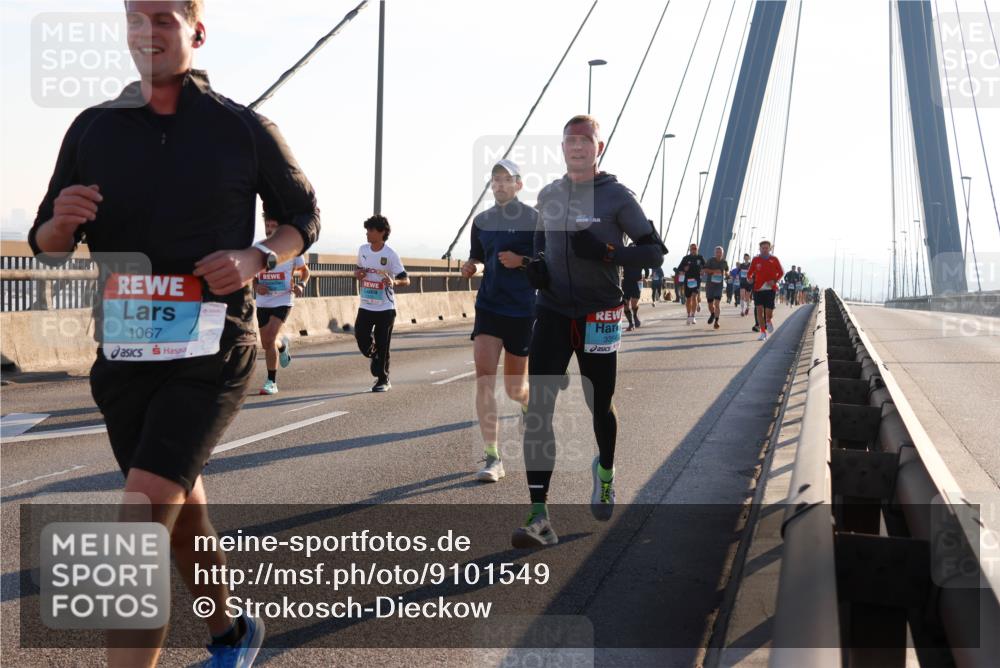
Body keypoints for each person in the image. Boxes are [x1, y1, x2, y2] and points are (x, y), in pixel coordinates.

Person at [28, 2, 321, 666]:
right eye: (136, 17)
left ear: (196, 31)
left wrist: (256, 257)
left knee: (139, 523)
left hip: (213, 348)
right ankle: (230, 631)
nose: (147, 31)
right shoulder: (93, 129)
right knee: (179, 508)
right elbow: (48, 244)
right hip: (125, 353)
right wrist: (60, 223)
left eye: (163, 17)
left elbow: (302, 216)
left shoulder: (243, 129)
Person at [513, 114, 665, 548]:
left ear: (599, 148)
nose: (577, 147)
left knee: (599, 406)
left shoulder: (617, 196)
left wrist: (607, 251)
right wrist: (536, 268)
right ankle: (539, 513)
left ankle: (605, 473)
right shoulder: (549, 194)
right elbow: (539, 244)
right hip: (555, 310)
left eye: (585, 141)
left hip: (599, 314)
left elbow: (654, 253)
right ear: (562, 149)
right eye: (569, 142)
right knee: (538, 408)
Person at [461, 159, 537, 483]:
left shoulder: (534, 220)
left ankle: (526, 405)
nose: (500, 185)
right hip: (489, 306)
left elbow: (548, 264)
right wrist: (471, 266)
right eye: (496, 180)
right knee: (484, 380)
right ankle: (493, 457)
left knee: (515, 387)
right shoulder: (482, 221)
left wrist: (522, 261)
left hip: (521, 309)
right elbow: (478, 256)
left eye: (507, 180)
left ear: (519, 184)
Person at [254, 212, 309, 395]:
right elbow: (251, 276)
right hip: (263, 301)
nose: (269, 229)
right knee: (267, 343)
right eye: (267, 225)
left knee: (269, 338)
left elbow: (305, 272)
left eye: (273, 226)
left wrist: (301, 284)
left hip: (283, 299)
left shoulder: (292, 249)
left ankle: (271, 381)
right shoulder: (258, 248)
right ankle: (283, 345)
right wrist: (257, 285)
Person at [354, 215, 409, 392]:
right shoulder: (363, 249)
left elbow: (405, 279)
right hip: (366, 304)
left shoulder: (390, 255)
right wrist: (358, 274)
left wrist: (394, 283)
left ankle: (383, 379)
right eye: (367, 230)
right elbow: (358, 269)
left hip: (386, 307)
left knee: (383, 343)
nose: (367, 234)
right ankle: (374, 354)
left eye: (371, 230)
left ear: (382, 232)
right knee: (361, 336)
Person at [747, 240, 784, 341]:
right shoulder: (755, 260)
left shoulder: (774, 259)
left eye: (766, 248)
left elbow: (781, 272)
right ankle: (763, 332)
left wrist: (774, 281)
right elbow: (749, 273)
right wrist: (749, 278)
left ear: (770, 248)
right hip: (758, 289)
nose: (764, 250)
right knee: (759, 311)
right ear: (760, 249)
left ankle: (768, 321)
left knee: (769, 313)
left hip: (770, 289)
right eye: (762, 248)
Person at [621, 248, 648, 331]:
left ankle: (635, 316)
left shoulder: (640, 259)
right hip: (626, 283)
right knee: (625, 304)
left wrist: (645, 277)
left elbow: (647, 270)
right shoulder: (624, 259)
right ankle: (630, 324)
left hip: (636, 284)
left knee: (634, 305)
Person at [679, 243, 705, 325]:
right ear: (690, 249)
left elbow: (706, 267)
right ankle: (688, 315)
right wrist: (683, 269)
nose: (694, 250)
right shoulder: (686, 258)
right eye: (692, 248)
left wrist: (703, 271)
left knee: (694, 297)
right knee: (688, 299)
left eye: (695, 248)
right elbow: (679, 269)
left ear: (697, 249)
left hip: (696, 280)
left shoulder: (700, 258)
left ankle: (693, 316)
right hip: (687, 281)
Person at [703, 246, 728, 329]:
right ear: (715, 253)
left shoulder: (724, 262)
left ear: (722, 253)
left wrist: (727, 274)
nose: (718, 254)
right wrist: (714, 271)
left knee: (717, 304)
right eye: (717, 252)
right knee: (710, 304)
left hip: (719, 286)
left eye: (720, 252)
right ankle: (712, 314)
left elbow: (726, 270)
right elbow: (705, 270)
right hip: (710, 285)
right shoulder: (710, 260)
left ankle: (716, 321)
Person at [738, 253, 753, 317]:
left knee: (747, 298)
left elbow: (754, 272)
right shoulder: (741, 265)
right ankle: (742, 311)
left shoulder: (751, 265)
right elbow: (738, 272)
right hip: (742, 282)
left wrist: (752, 279)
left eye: (747, 257)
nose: (746, 258)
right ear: (744, 258)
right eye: (745, 257)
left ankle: (747, 308)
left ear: (749, 258)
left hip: (749, 283)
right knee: (742, 296)